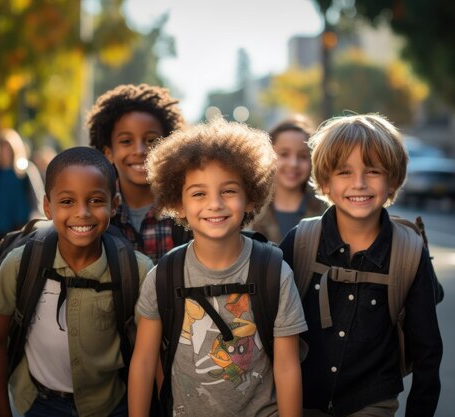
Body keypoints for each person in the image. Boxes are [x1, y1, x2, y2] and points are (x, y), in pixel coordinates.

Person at [129, 117, 308, 417]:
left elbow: (287, 366)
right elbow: (144, 362)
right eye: (199, 193)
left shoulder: (275, 273)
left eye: (228, 191)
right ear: (179, 203)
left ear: (250, 197)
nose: (215, 204)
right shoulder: (162, 276)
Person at [278, 114, 443, 417]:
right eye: (344, 172)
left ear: (393, 180)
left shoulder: (408, 252)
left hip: (371, 402)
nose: (359, 183)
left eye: (373, 171)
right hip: (301, 399)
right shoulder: (300, 242)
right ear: (325, 182)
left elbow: (428, 353)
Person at [0, 146, 154, 417]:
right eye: (67, 202)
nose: (82, 212)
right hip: (39, 404)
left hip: (112, 405)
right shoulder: (20, 264)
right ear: (47, 207)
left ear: (114, 205)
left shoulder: (138, 271)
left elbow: (150, 358)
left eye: (96, 200)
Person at [87, 83, 188, 263]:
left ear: (169, 146)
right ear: (109, 153)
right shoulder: (95, 210)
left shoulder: (186, 209)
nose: (140, 150)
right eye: (126, 141)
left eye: (151, 140)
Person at [249, 115, 326, 243]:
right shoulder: (251, 210)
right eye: (284, 154)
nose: (293, 164)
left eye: (302, 156)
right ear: (268, 156)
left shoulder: (325, 211)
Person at [0, 128, 45, 241]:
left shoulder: (25, 169)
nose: (5, 152)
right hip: (1, 219)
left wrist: (37, 215)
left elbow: (36, 194)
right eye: (2, 148)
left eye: (8, 148)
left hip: (21, 219)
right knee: (3, 253)